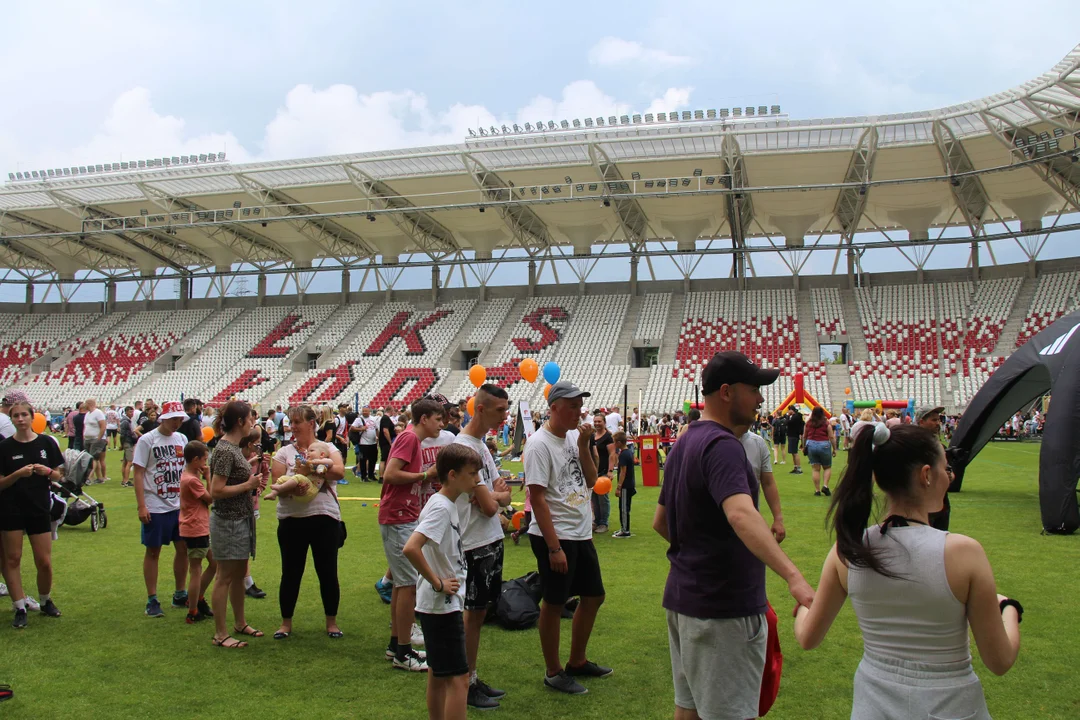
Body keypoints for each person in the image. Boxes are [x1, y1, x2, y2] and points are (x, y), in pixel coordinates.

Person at [793, 423, 1021, 720]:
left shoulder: (848, 550)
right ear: (926, 475)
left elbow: (808, 637)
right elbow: (1000, 660)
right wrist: (1009, 609)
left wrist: (801, 608)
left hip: (873, 706)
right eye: (946, 468)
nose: (948, 477)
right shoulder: (963, 553)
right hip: (952, 706)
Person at [653, 351, 815, 720]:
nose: (761, 398)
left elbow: (661, 522)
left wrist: (698, 554)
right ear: (726, 392)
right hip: (722, 609)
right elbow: (741, 514)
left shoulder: (685, 443)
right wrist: (794, 577)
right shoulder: (724, 446)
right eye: (754, 388)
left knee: (688, 711)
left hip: (685, 599)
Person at [524, 380, 610, 696]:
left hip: (579, 531)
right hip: (556, 534)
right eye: (572, 406)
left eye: (580, 405)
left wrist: (586, 445)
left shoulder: (575, 436)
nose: (579, 412)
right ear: (555, 408)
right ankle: (553, 671)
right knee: (554, 603)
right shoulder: (538, 444)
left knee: (594, 596)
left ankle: (577, 661)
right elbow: (537, 500)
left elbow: (591, 478)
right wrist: (554, 547)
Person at [403, 443, 481, 720]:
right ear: (452, 474)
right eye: (471, 474)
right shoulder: (440, 508)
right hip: (441, 605)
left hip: (439, 605)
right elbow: (411, 548)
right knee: (459, 679)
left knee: (438, 674)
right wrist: (438, 583)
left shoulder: (446, 504)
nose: (476, 479)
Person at [452, 384, 512, 709]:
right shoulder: (463, 448)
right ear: (480, 409)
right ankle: (465, 683)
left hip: (490, 539)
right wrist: (497, 496)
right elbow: (491, 504)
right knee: (472, 616)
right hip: (474, 542)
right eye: (500, 410)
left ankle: (472, 677)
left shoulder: (482, 447)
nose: (505, 416)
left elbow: (497, 492)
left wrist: (495, 496)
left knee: (479, 614)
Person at [271, 404, 346, 641]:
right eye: (291, 423)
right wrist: (297, 479)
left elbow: (339, 472)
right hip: (291, 519)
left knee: (327, 571)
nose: (292, 427)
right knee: (290, 572)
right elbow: (277, 481)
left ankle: (331, 622)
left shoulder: (329, 448)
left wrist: (313, 468)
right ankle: (285, 623)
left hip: (324, 517)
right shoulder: (284, 451)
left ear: (311, 424)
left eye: (296, 422)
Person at [381, 397, 444, 671]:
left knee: (402, 586)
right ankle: (404, 654)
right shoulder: (409, 439)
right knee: (407, 586)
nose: (441, 424)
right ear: (424, 419)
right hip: (398, 516)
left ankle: (397, 644)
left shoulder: (411, 439)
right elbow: (390, 474)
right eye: (438, 419)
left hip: (401, 515)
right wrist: (423, 475)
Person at [0, 398, 66, 628]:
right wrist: (18, 474)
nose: (20, 419)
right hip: (11, 509)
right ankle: (19, 606)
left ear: (32, 416)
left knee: (44, 562)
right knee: (12, 558)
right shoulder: (4, 447)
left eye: (24, 415)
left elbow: (59, 476)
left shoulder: (47, 442)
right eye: (15, 416)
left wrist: (48, 471)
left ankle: (45, 600)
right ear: (12, 419)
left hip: (39, 508)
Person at [207, 400, 264, 648]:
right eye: (250, 418)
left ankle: (239, 623)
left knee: (239, 574)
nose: (253, 422)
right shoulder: (224, 450)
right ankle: (220, 634)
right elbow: (216, 490)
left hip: (240, 519)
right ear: (240, 422)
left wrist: (251, 475)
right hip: (228, 521)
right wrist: (248, 485)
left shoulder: (232, 448)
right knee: (224, 577)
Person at [133, 400, 190, 618]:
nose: (177, 423)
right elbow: (138, 472)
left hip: (179, 504)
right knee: (153, 551)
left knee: (182, 548)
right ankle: (152, 597)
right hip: (155, 505)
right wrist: (141, 505)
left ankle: (180, 592)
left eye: (179, 419)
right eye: (173, 418)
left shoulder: (182, 439)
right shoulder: (147, 440)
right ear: (163, 418)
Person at [179, 441, 216, 624]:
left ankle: (198, 598)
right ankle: (192, 609)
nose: (205, 463)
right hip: (195, 528)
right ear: (195, 460)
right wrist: (209, 477)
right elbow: (210, 498)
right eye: (204, 459)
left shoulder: (188, 476)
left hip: (198, 526)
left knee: (214, 563)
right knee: (196, 569)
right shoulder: (192, 480)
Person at [741, 418, 786, 544]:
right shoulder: (712, 442)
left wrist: (778, 518)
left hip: (751, 522)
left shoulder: (758, 443)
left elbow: (768, 482)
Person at [915, 405, 953, 531]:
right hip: (922, 501)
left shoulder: (939, 445)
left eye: (938, 420)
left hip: (941, 502)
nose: (938, 423)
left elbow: (949, 471)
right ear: (921, 421)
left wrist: (949, 475)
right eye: (933, 420)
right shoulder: (912, 443)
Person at [264, 441, 334, 501]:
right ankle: (274, 493)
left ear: (322, 454)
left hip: (312, 489)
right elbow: (298, 471)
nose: (308, 453)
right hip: (302, 487)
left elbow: (330, 463)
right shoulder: (309, 463)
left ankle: (281, 488)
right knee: (284, 478)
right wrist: (298, 465)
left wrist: (314, 462)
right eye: (307, 451)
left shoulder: (324, 461)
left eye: (311, 451)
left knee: (298, 477)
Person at [802, 406, 837, 497]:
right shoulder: (826, 423)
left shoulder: (808, 423)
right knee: (827, 467)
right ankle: (825, 486)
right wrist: (834, 448)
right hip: (824, 445)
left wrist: (804, 446)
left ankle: (817, 490)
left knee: (815, 469)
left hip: (811, 445)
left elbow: (804, 436)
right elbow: (831, 437)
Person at [590, 412, 615, 535]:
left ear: (604, 423)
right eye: (595, 421)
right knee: (594, 498)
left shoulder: (608, 437)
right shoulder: (593, 436)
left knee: (602, 498)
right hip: (593, 472)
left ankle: (603, 523)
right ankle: (596, 520)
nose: (597, 423)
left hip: (604, 472)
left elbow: (612, 454)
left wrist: (610, 471)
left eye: (599, 421)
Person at [612, 431, 636, 538]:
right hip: (629, 484)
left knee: (624, 508)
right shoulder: (628, 452)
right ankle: (624, 528)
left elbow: (623, 471)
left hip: (626, 485)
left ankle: (625, 530)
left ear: (619, 443)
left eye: (615, 442)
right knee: (625, 507)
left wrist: (619, 487)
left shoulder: (623, 454)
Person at [82, 398, 107, 482]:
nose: (83, 405)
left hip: (96, 438)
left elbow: (103, 426)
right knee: (92, 458)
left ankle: (88, 477)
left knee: (93, 458)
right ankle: (99, 478)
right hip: (88, 439)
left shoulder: (98, 413)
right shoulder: (88, 414)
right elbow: (86, 426)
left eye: (85, 403)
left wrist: (99, 438)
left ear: (89, 403)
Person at [354, 406, 379, 481]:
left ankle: (371, 475)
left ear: (369, 411)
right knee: (363, 460)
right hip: (363, 443)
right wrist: (361, 429)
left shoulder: (373, 419)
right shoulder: (359, 419)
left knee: (373, 459)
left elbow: (377, 429)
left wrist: (377, 437)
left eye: (366, 411)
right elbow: (352, 428)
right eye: (363, 411)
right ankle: (363, 476)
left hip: (373, 442)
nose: (364, 412)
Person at [379, 403, 398, 482]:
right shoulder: (386, 418)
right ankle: (381, 476)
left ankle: (383, 475)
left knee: (386, 458)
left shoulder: (385, 418)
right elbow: (385, 430)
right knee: (384, 458)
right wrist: (390, 442)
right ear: (390, 410)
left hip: (384, 441)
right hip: (385, 442)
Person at [119, 406, 138, 488]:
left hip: (127, 442)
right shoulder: (125, 421)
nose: (132, 413)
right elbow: (122, 434)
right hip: (128, 442)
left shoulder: (126, 421)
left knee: (125, 462)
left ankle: (124, 480)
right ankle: (126, 481)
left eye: (132, 412)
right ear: (126, 412)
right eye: (130, 412)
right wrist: (122, 444)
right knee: (129, 462)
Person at [786, 406, 804, 475]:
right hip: (791, 435)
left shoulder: (796, 417)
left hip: (794, 435)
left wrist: (787, 417)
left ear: (791, 410)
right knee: (793, 452)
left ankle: (799, 468)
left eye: (788, 410)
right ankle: (795, 467)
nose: (787, 412)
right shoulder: (793, 416)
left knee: (795, 452)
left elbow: (789, 423)